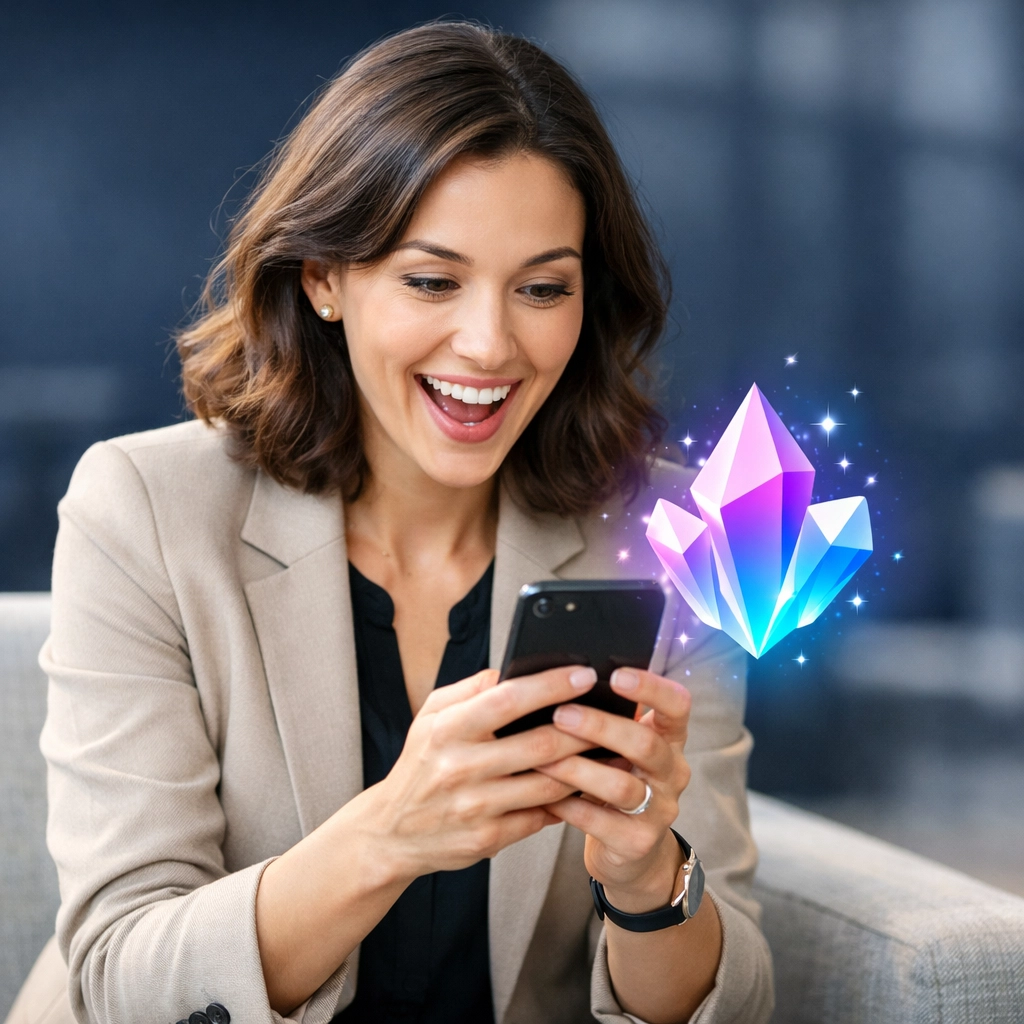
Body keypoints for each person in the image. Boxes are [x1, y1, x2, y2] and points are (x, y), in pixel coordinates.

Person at [13, 22, 773, 1024]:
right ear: (323, 278)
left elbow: (739, 1000)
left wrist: (646, 878)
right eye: (430, 280)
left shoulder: (676, 537)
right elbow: (121, 976)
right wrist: (391, 834)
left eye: (543, 288)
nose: (489, 342)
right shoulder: (145, 509)